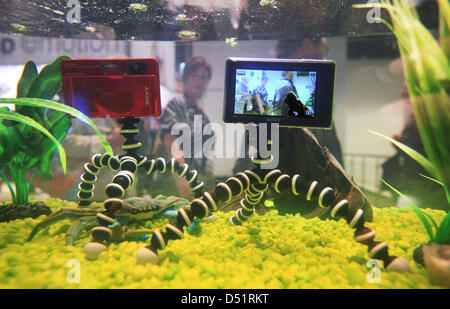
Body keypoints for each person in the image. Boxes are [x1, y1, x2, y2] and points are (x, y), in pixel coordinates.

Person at [156, 56, 214, 199]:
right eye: (194, 76)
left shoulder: (202, 114)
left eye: (204, 77)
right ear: (185, 78)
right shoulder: (177, 104)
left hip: (199, 184)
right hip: (177, 188)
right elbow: (171, 144)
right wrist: (184, 186)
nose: (199, 81)